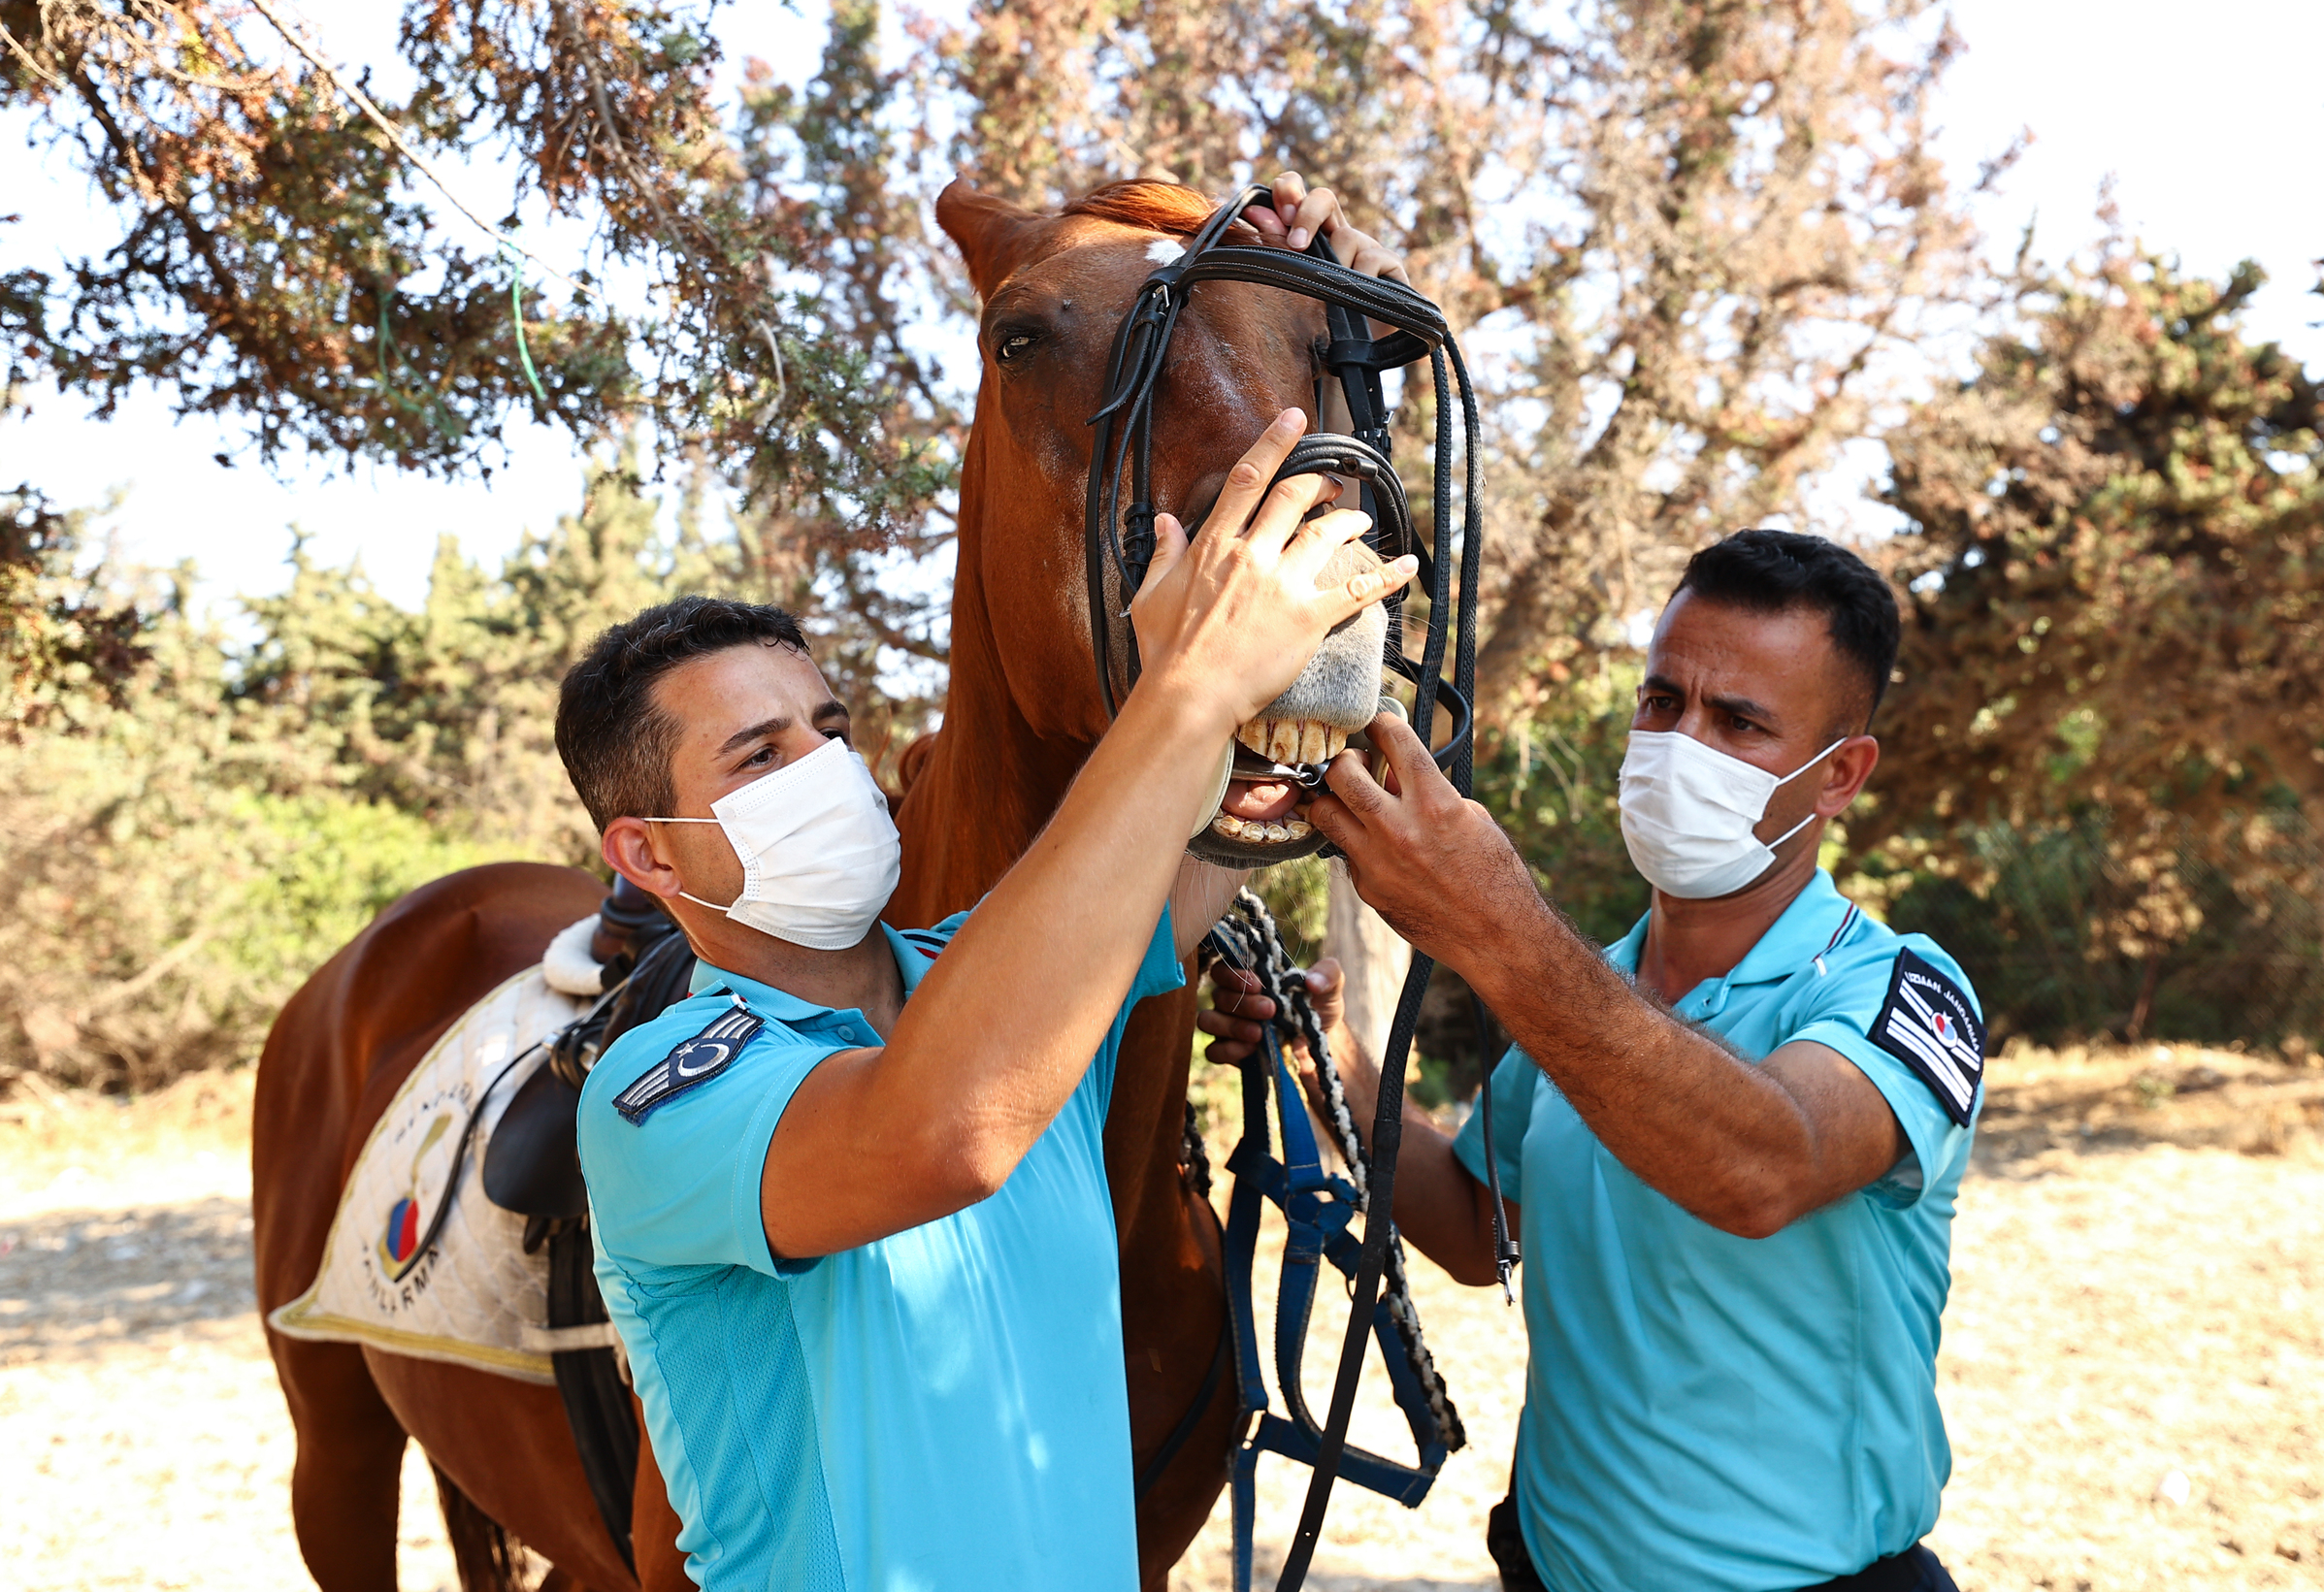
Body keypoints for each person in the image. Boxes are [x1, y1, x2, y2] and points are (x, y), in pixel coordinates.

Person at [555, 402, 1415, 1590]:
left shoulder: (1008, 977)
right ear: (647, 856)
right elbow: (943, 1130)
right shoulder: (658, 1100)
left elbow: (1222, 816)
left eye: (830, 728)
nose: (828, 768)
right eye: (759, 755)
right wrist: (1184, 690)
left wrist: (1326, 463)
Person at [1203, 531, 1983, 1592]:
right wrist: (1324, 1056)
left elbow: (1764, 1167)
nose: (1679, 743)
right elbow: (1478, 1228)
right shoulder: (1592, 995)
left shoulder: (1897, 989)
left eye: (1739, 722)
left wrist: (1499, 928)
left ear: (1838, 774)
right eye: (1661, 701)